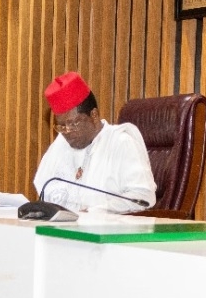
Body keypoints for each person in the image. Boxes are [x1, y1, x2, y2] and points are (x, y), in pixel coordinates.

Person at [33, 72, 156, 214]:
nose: (68, 133)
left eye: (74, 123)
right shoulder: (61, 146)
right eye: (61, 126)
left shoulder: (120, 142)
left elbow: (142, 197)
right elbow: (45, 193)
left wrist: (96, 211)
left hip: (107, 231)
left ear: (94, 115)